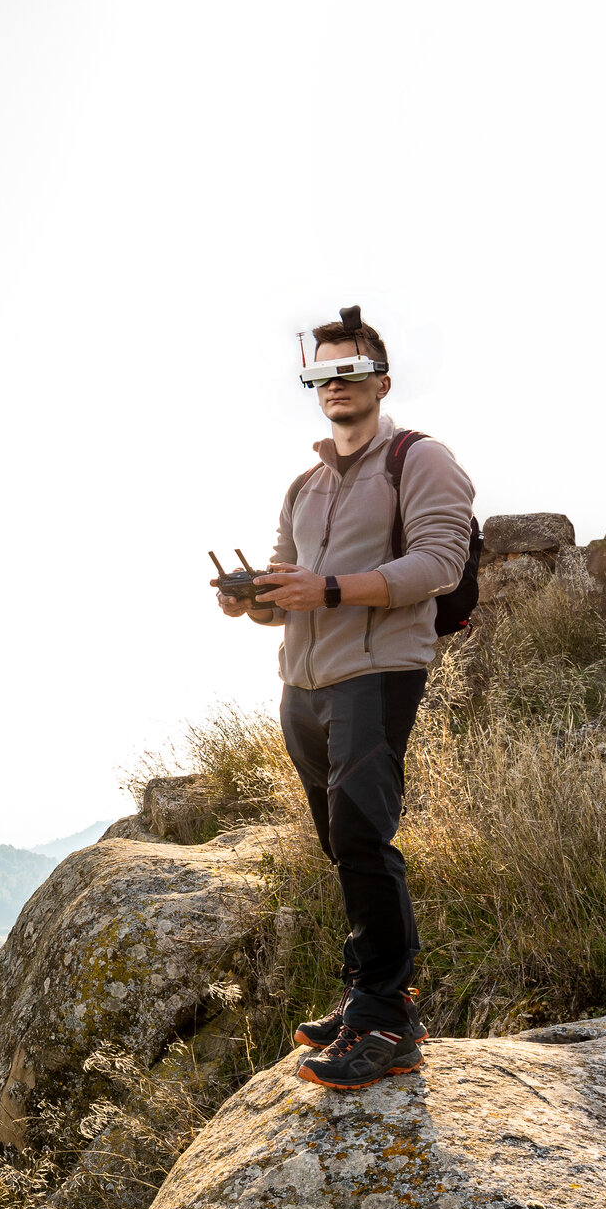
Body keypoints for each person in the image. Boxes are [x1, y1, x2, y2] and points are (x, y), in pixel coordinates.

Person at [218, 306, 475, 1090]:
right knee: (339, 841)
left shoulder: (421, 460)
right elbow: (285, 581)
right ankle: (369, 985)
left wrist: (328, 589)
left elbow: (437, 563)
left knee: (364, 834)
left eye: (348, 371)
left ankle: (389, 1020)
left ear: (380, 381)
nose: (333, 385)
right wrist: (253, 598)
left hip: (378, 670)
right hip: (303, 681)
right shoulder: (305, 482)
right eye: (319, 374)